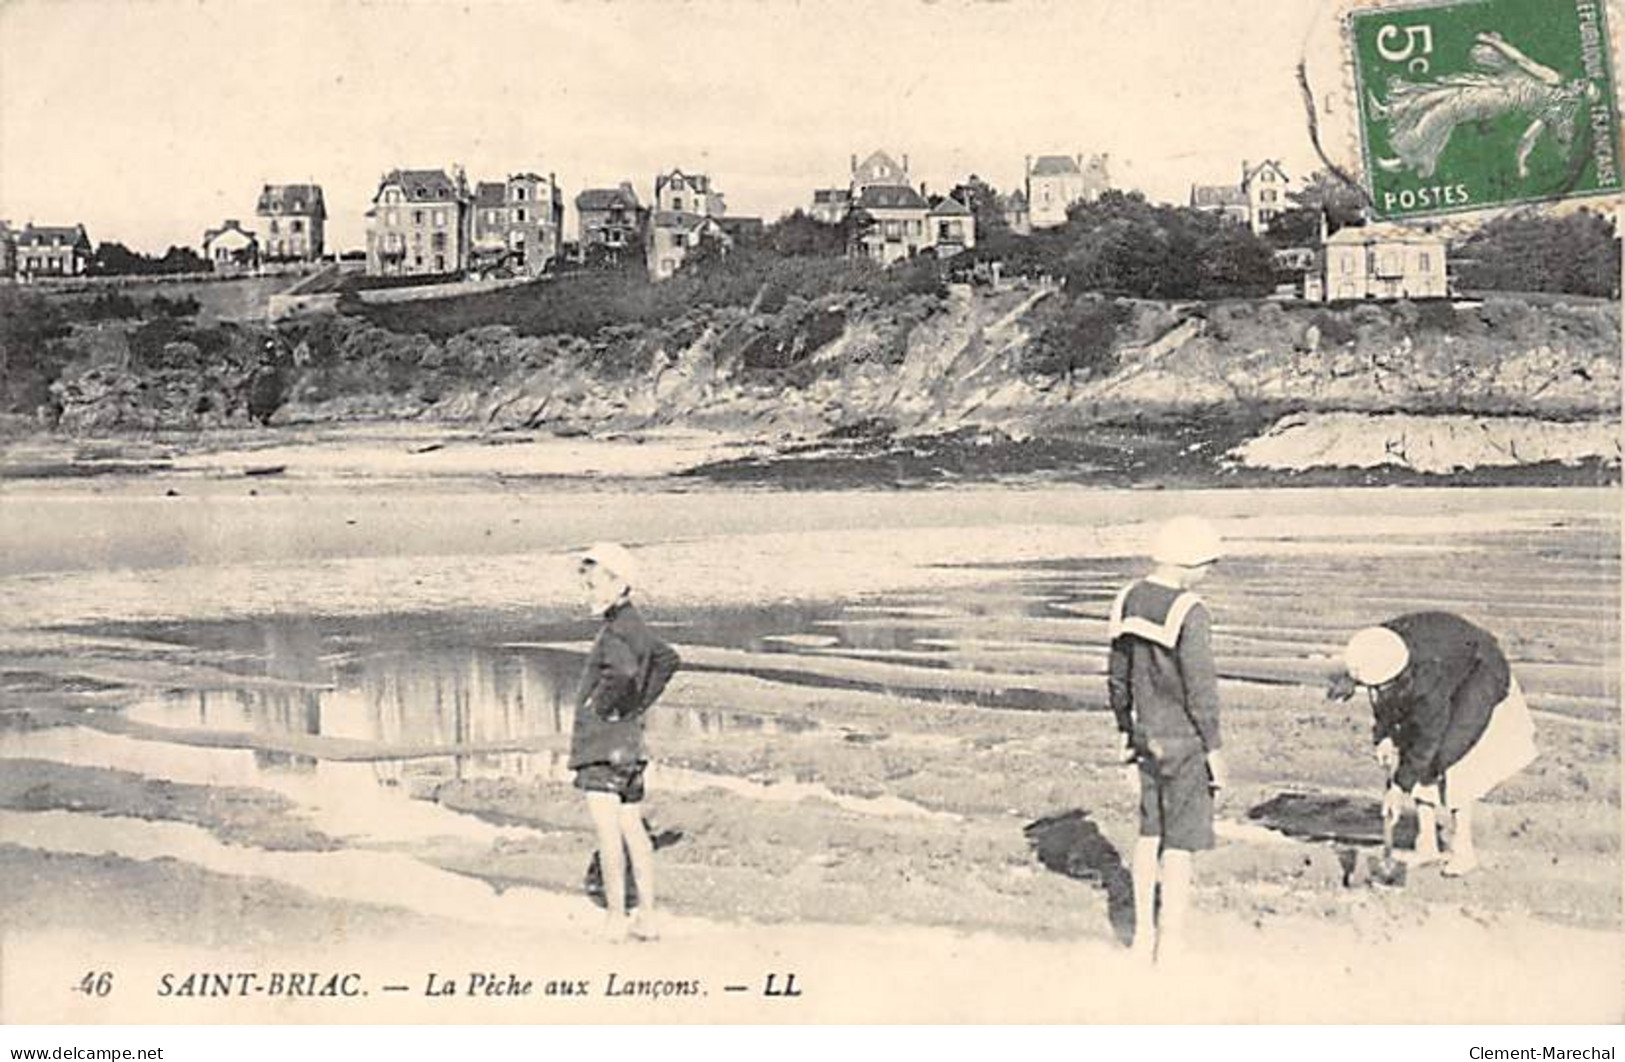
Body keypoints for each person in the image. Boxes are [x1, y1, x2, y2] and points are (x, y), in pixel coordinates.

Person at [1329, 612, 1538, 877]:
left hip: (1479, 671)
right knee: (1409, 744)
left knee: (1451, 756)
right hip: (1444, 660)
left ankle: (1463, 850)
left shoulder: (1427, 679)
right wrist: (1384, 736)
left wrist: (1399, 787)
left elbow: (1428, 737)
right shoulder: (1378, 646)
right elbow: (1381, 697)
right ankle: (1426, 843)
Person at [1107, 515, 1226, 965]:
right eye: (1206, 564)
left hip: (1143, 734)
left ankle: (1141, 937)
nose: (1207, 573)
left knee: (1147, 835)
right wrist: (1214, 749)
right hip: (1184, 741)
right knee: (1179, 845)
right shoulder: (1190, 610)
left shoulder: (1126, 600)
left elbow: (1117, 678)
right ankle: (1170, 944)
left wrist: (1124, 728)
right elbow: (1201, 689)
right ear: (1190, 562)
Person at [569, 542, 682, 940]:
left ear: (619, 585)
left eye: (594, 585)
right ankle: (647, 918)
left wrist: (601, 705)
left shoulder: (616, 630)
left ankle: (615, 918)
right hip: (629, 744)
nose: (589, 594)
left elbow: (622, 670)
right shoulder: (635, 624)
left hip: (603, 746)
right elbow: (668, 659)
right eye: (586, 586)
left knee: (608, 833)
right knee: (631, 827)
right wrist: (637, 704)